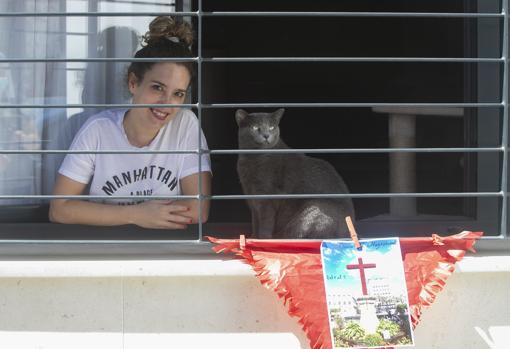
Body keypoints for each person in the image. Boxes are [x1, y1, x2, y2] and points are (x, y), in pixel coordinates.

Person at [49, 16, 211, 230]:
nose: (167, 104)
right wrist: (136, 214)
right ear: (133, 83)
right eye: (157, 88)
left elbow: (198, 209)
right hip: (106, 247)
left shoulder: (185, 124)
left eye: (178, 94)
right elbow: (59, 209)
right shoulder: (98, 129)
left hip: (166, 248)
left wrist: (111, 214)